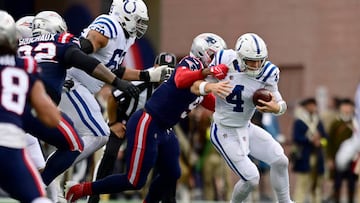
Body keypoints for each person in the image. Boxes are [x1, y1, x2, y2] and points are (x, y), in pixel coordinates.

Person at [65, 32, 231, 203]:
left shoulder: (201, 75)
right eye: (213, 56)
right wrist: (208, 73)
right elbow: (181, 79)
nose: (216, 61)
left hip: (164, 128)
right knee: (134, 181)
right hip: (148, 122)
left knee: (172, 173)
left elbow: (215, 104)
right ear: (201, 52)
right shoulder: (190, 64)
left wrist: (238, 103)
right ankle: (80, 189)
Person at [17, 10, 141, 190]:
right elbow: (86, 62)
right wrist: (117, 82)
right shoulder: (61, 41)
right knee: (74, 144)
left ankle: (37, 188)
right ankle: (35, 187)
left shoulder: (18, 45)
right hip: (37, 107)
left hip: (9, 106)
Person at [59, 0, 171, 167]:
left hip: (83, 88)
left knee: (81, 137)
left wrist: (147, 75)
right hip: (72, 84)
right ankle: (50, 172)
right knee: (97, 134)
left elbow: (114, 69)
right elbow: (84, 49)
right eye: (138, 20)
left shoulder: (126, 37)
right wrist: (90, 44)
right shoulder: (110, 24)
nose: (141, 26)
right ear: (125, 15)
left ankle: (51, 177)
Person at [192, 33, 294, 203]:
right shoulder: (223, 59)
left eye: (259, 61)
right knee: (251, 178)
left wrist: (277, 108)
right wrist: (211, 86)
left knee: (280, 160)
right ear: (239, 57)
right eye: (250, 61)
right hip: (224, 130)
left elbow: (280, 102)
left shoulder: (268, 72)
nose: (255, 65)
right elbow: (194, 84)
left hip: (246, 127)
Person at [88, 52, 177, 203]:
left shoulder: (176, 86)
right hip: (124, 120)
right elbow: (112, 97)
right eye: (163, 69)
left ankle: (167, 199)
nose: (166, 74)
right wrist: (113, 123)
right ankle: (93, 195)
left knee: (169, 158)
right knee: (110, 153)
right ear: (155, 68)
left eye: (170, 70)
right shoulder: (141, 81)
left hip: (152, 125)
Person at [0, 10, 60, 203]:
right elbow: (52, 118)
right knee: (37, 199)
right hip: (10, 142)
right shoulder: (25, 66)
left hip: (14, 137)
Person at [292, 98, 328, 203]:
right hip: (304, 156)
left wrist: (320, 141)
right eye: (310, 105)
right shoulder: (299, 122)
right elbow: (296, 138)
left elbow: (325, 138)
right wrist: (310, 140)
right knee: (302, 184)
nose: (312, 107)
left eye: (314, 105)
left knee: (317, 184)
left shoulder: (318, 121)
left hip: (317, 155)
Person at [327, 99, 358, 203]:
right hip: (337, 158)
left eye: (349, 106)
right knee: (337, 183)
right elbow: (329, 142)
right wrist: (330, 158)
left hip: (353, 159)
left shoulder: (356, 123)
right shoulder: (336, 123)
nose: (347, 109)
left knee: (352, 183)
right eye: (344, 106)